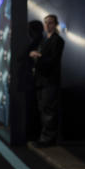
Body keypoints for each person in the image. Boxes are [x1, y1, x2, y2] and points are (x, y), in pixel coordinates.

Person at [30, 14, 65, 147]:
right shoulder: (45, 40)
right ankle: (44, 137)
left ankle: (47, 139)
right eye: (46, 23)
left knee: (48, 110)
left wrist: (38, 56)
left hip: (50, 80)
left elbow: (53, 61)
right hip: (42, 80)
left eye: (50, 23)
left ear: (55, 24)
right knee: (43, 109)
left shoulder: (57, 40)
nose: (47, 25)